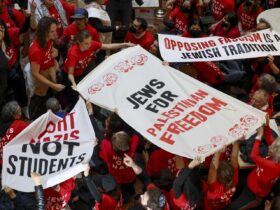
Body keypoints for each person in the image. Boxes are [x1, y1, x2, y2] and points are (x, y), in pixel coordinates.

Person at [229, 126, 280, 209]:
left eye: (274, 148)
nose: (270, 147)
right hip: (252, 180)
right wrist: (265, 126)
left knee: (235, 207)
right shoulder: (276, 157)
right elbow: (269, 138)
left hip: (254, 192)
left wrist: (259, 136)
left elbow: (253, 156)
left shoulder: (274, 166)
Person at [28, 16, 65, 120]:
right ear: (44, 32)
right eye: (52, 31)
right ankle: (34, 118)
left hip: (50, 70)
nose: (56, 34)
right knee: (40, 97)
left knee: (51, 94)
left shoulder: (48, 39)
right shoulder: (35, 50)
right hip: (41, 77)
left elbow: (50, 48)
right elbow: (35, 73)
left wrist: (54, 52)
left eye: (55, 30)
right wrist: (53, 84)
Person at [204, 142, 240, 209]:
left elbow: (213, 168)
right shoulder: (234, 179)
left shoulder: (214, 188)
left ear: (217, 176)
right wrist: (236, 140)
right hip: (224, 204)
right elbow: (234, 157)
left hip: (210, 207)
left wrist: (218, 151)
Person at [0, 101, 29, 167]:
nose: (21, 113)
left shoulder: (1, 124)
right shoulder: (20, 125)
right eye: (19, 111)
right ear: (14, 115)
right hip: (13, 162)